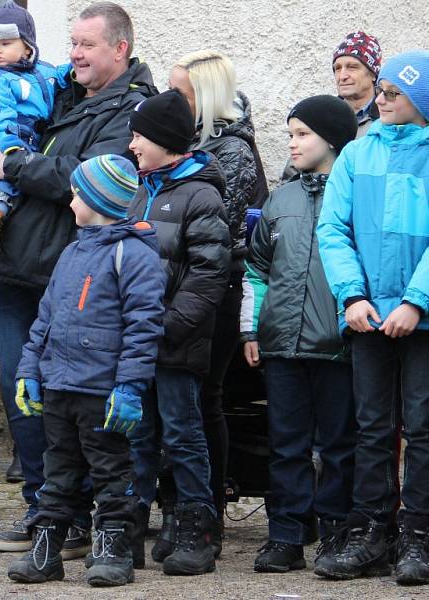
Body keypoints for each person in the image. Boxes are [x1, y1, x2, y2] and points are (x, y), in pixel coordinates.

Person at [0, 1, 157, 556]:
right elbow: (9, 142)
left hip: (76, 276)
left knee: (72, 403)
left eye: (86, 45)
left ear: (119, 49)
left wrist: (14, 166)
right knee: (21, 394)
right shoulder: (59, 91)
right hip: (18, 270)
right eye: (71, 43)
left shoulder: (130, 110)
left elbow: (81, 176)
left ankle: (81, 520)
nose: (72, 53)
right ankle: (44, 508)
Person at [6, 154, 165, 587]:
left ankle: (113, 549)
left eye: (76, 193)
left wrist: (130, 386)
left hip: (102, 391)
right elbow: (45, 318)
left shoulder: (133, 255)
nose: (70, 201)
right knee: (57, 470)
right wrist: (29, 371)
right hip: (59, 384)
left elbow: (143, 327)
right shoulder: (73, 251)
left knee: (112, 471)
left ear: (96, 200)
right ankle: (47, 550)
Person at [316, 50, 429, 586]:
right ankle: (373, 530)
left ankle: (420, 534)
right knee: (372, 429)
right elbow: (333, 230)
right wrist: (352, 296)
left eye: (391, 93)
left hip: (421, 320)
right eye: (378, 91)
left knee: (424, 429)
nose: (378, 100)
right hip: (367, 318)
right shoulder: (357, 156)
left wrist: (417, 301)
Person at [240, 95, 358, 573]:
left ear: (331, 139)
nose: (291, 143)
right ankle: (286, 534)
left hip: (339, 346)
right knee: (285, 443)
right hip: (281, 345)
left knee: (338, 446)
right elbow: (256, 269)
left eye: (302, 134)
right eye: (289, 134)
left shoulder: (352, 195)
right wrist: (252, 328)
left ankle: (335, 531)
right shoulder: (280, 198)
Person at [158, 49, 266, 559]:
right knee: (174, 406)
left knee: (205, 400)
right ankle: (173, 506)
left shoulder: (234, 153)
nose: (170, 100)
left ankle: (205, 513)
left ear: (206, 98)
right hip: (171, 289)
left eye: (180, 93)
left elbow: (211, 231)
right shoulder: (175, 148)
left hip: (216, 292)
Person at [126, 88, 230, 575]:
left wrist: (166, 326)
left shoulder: (201, 193)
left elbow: (209, 274)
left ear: (167, 141)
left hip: (175, 343)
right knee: (138, 436)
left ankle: (196, 529)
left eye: (140, 136)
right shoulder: (136, 188)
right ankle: (127, 528)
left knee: (184, 436)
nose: (132, 145)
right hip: (135, 343)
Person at [0, 0, 66, 253]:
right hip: (10, 135)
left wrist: (72, 73)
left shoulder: (42, 70)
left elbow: (58, 77)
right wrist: (10, 148)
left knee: (23, 178)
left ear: (27, 46)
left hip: (35, 134)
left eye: (5, 44)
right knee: (9, 178)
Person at [281, 31, 383, 182]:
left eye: (352, 67)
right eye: (337, 68)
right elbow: (291, 175)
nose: (342, 76)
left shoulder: (388, 118)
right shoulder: (323, 117)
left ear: (373, 74)